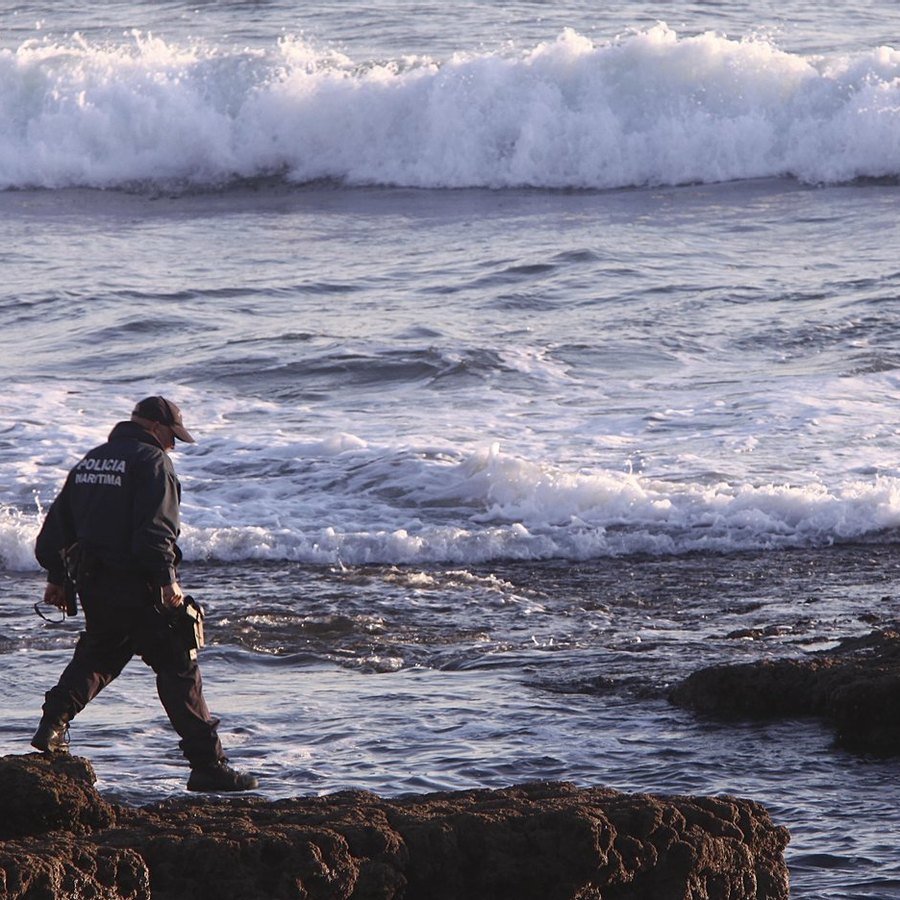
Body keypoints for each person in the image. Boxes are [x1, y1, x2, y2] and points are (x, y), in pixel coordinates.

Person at [32, 396, 258, 793]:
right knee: (179, 667)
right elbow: (156, 531)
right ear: (155, 427)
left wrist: (58, 578)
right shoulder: (153, 463)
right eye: (172, 436)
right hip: (141, 585)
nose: (173, 445)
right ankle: (209, 766)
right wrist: (166, 579)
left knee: (99, 656)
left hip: (95, 586)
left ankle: (52, 725)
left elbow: (56, 528)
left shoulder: (92, 461)